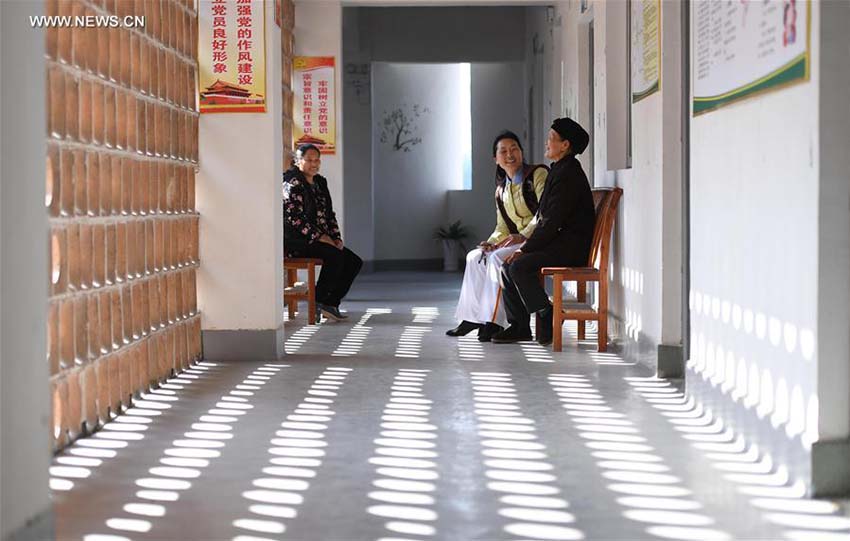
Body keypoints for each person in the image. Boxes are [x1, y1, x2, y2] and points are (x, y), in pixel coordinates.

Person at [492, 117, 596, 346]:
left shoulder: (568, 175)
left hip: (570, 248)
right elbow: (542, 217)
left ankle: (546, 313)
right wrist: (524, 244)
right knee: (507, 264)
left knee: (517, 265)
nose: (546, 143)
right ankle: (519, 326)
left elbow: (550, 222)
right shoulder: (559, 169)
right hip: (558, 243)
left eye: (551, 138)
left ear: (565, 145)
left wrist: (525, 249)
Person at [446, 131, 548, 342]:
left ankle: (494, 322)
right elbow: (502, 227)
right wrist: (490, 243)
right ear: (496, 159)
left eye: (514, 149)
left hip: (537, 240)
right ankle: (471, 318)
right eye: (504, 151)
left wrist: (523, 235)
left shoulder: (537, 175)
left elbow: (545, 213)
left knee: (497, 259)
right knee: (475, 256)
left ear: (521, 152)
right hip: (517, 240)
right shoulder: (502, 189)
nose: (510, 154)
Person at [283, 144, 362, 321]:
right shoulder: (292, 182)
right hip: (297, 242)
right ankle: (317, 301)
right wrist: (320, 236)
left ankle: (330, 303)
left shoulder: (320, 182)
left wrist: (336, 237)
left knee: (354, 261)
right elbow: (293, 218)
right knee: (335, 256)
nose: (314, 164)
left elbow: (329, 214)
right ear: (298, 161)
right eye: (309, 160)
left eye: (317, 159)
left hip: (320, 240)